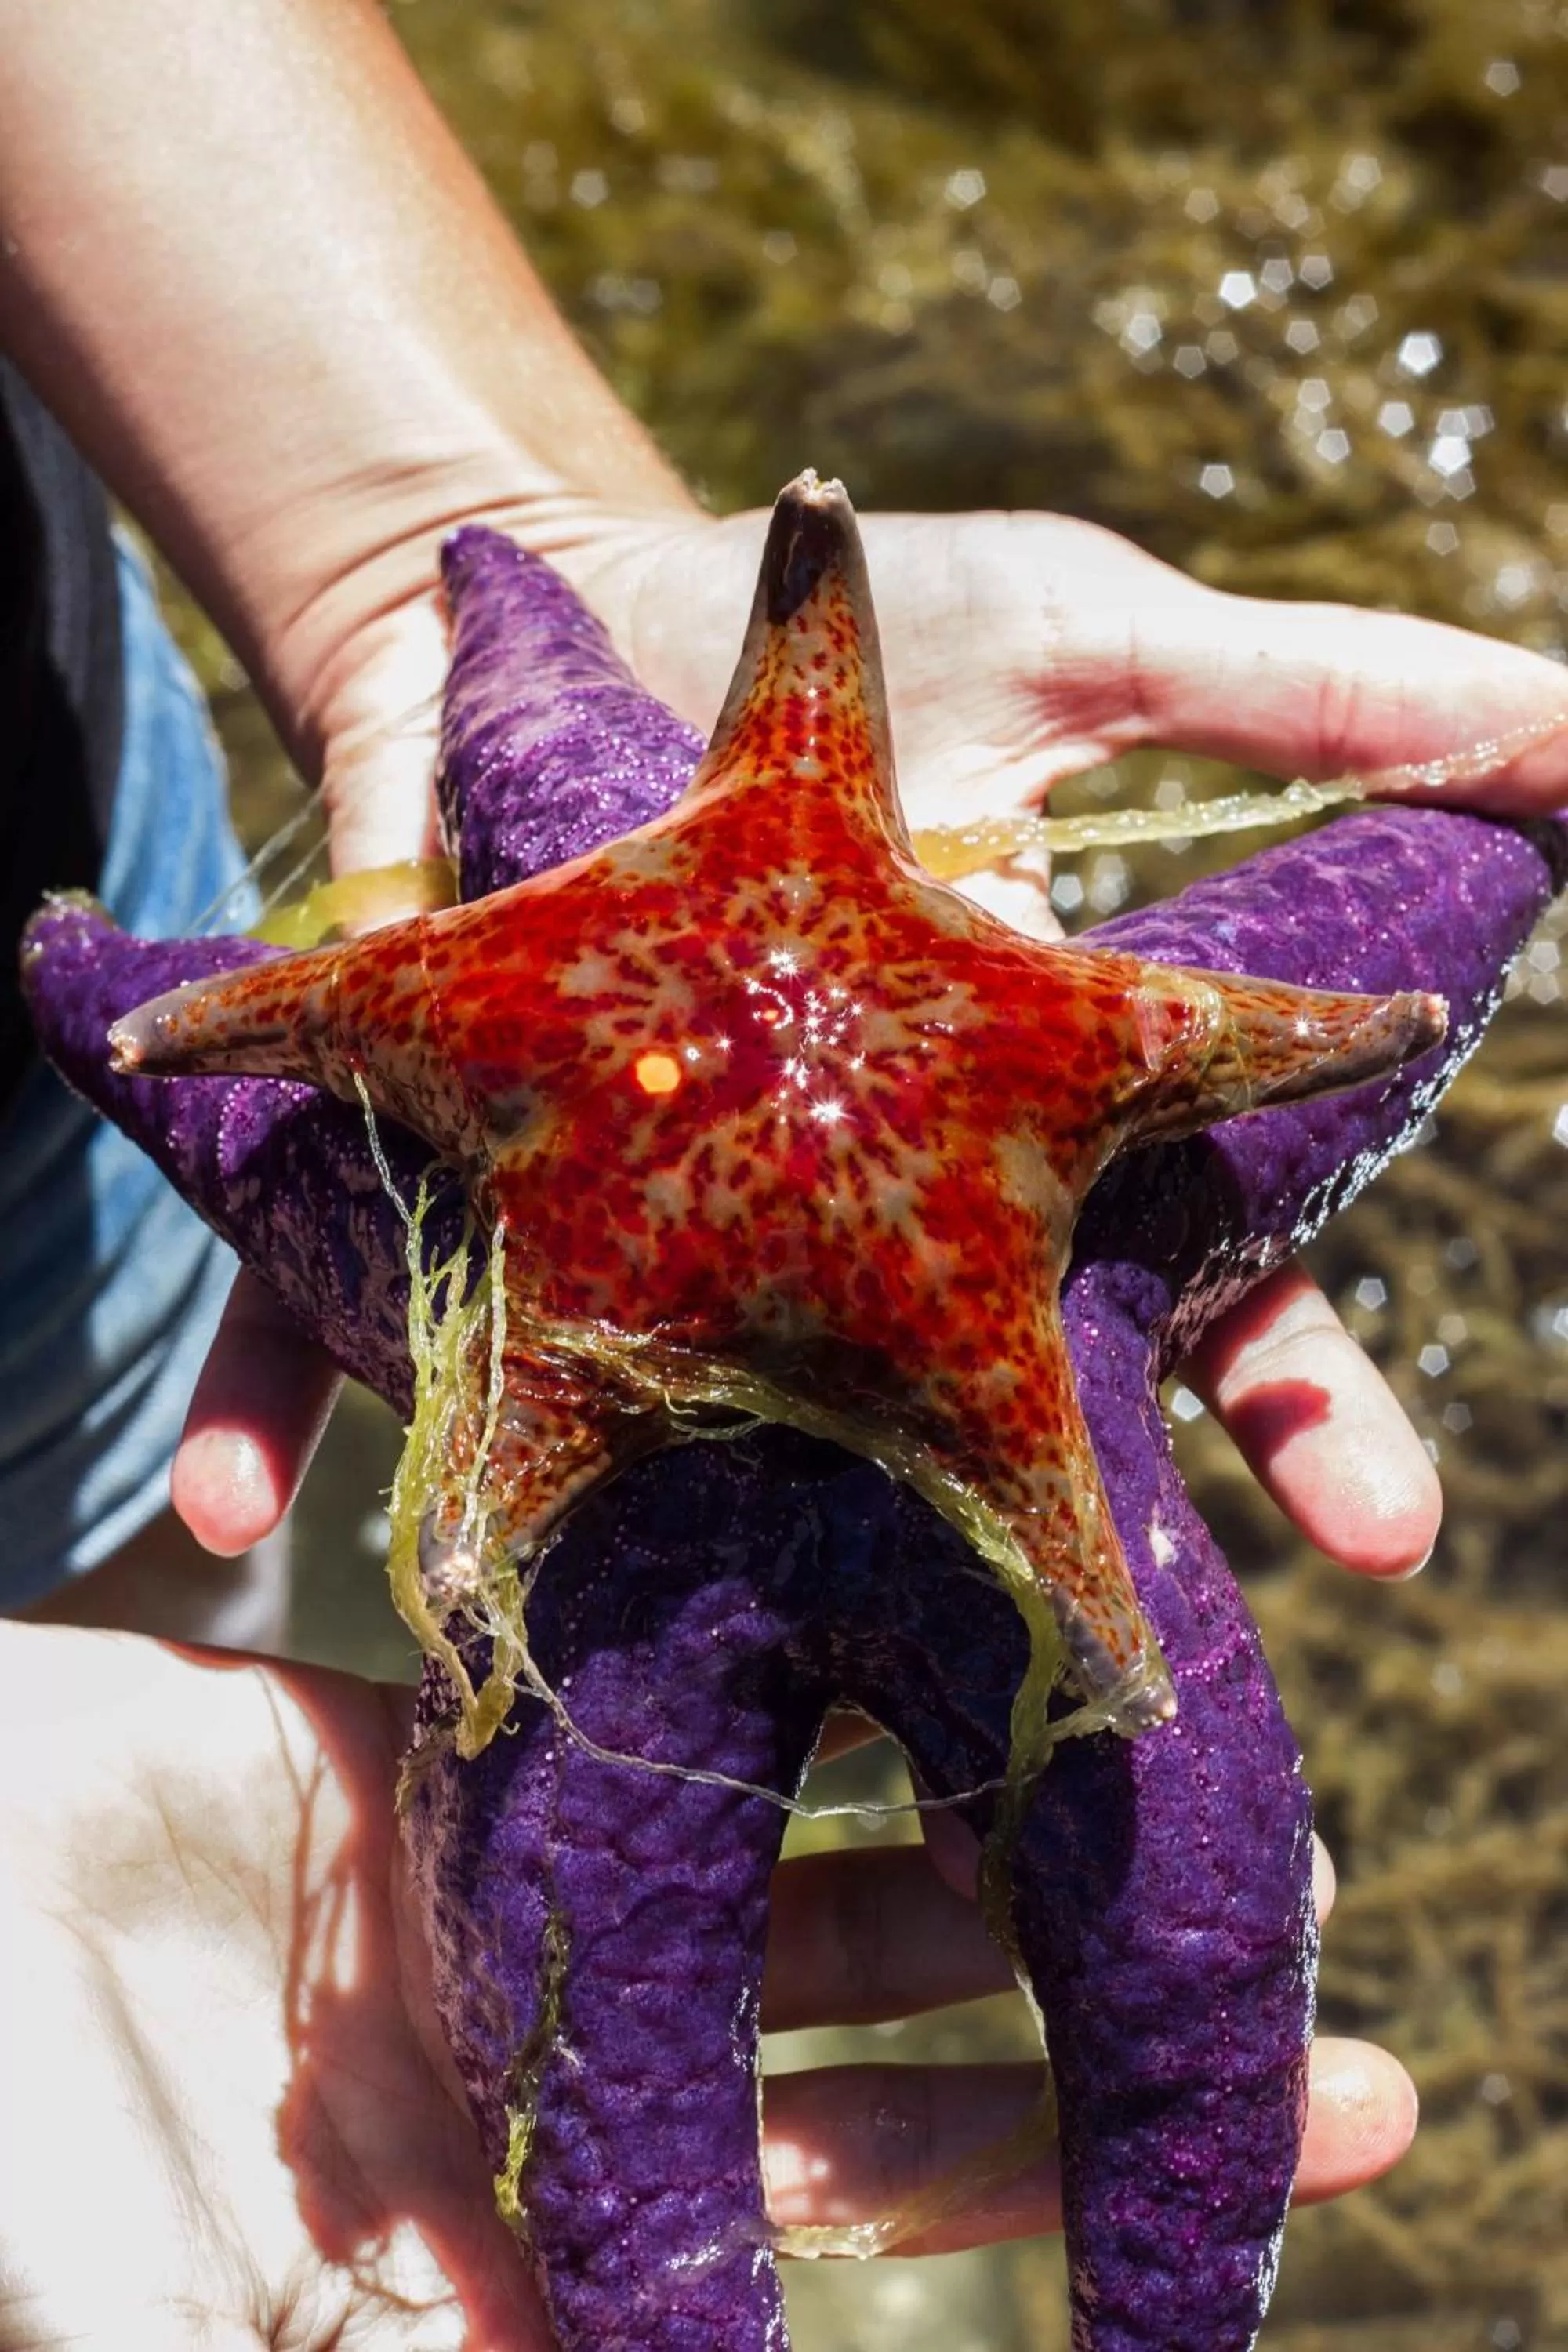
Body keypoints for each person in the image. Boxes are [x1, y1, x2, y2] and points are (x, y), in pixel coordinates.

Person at [1, 0, 1564, 2338]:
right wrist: (450, 593)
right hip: (509, 1435)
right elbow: (455, 731)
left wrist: (439, 559)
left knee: (129, 1510)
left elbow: (493, 656)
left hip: (49, 1156)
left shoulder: (993, 1054)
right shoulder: (527, 1006)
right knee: (1145, 1948)